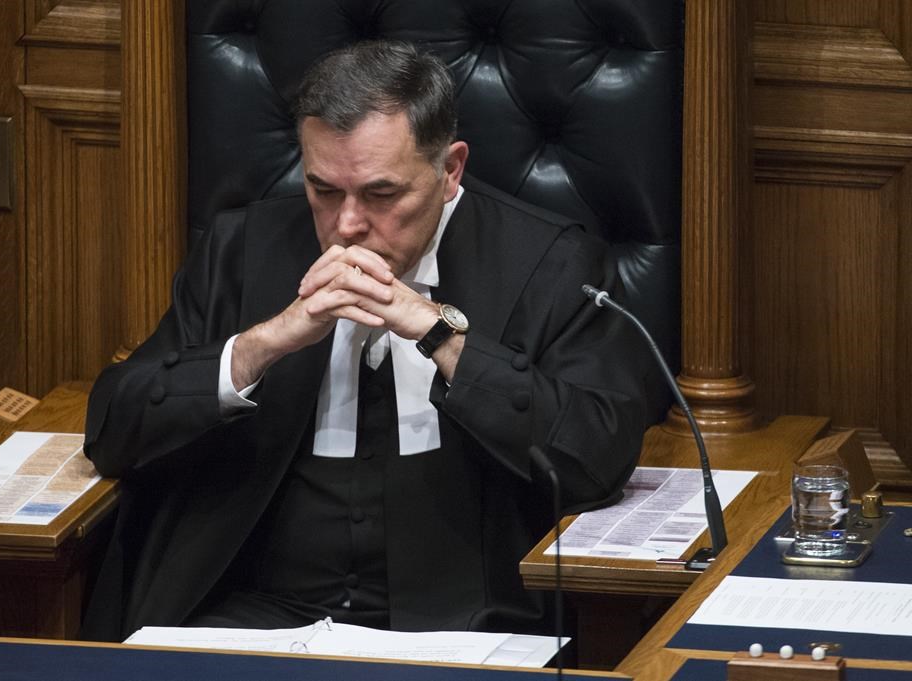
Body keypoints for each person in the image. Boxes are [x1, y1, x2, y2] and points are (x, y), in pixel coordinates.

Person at [80, 40, 648, 642]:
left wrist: (441, 335)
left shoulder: (552, 263)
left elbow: (598, 457)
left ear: (450, 169)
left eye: (381, 194)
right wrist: (263, 345)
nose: (347, 224)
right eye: (324, 190)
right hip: (255, 613)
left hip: (469, 619)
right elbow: (113, 428)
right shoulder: (241, 249)